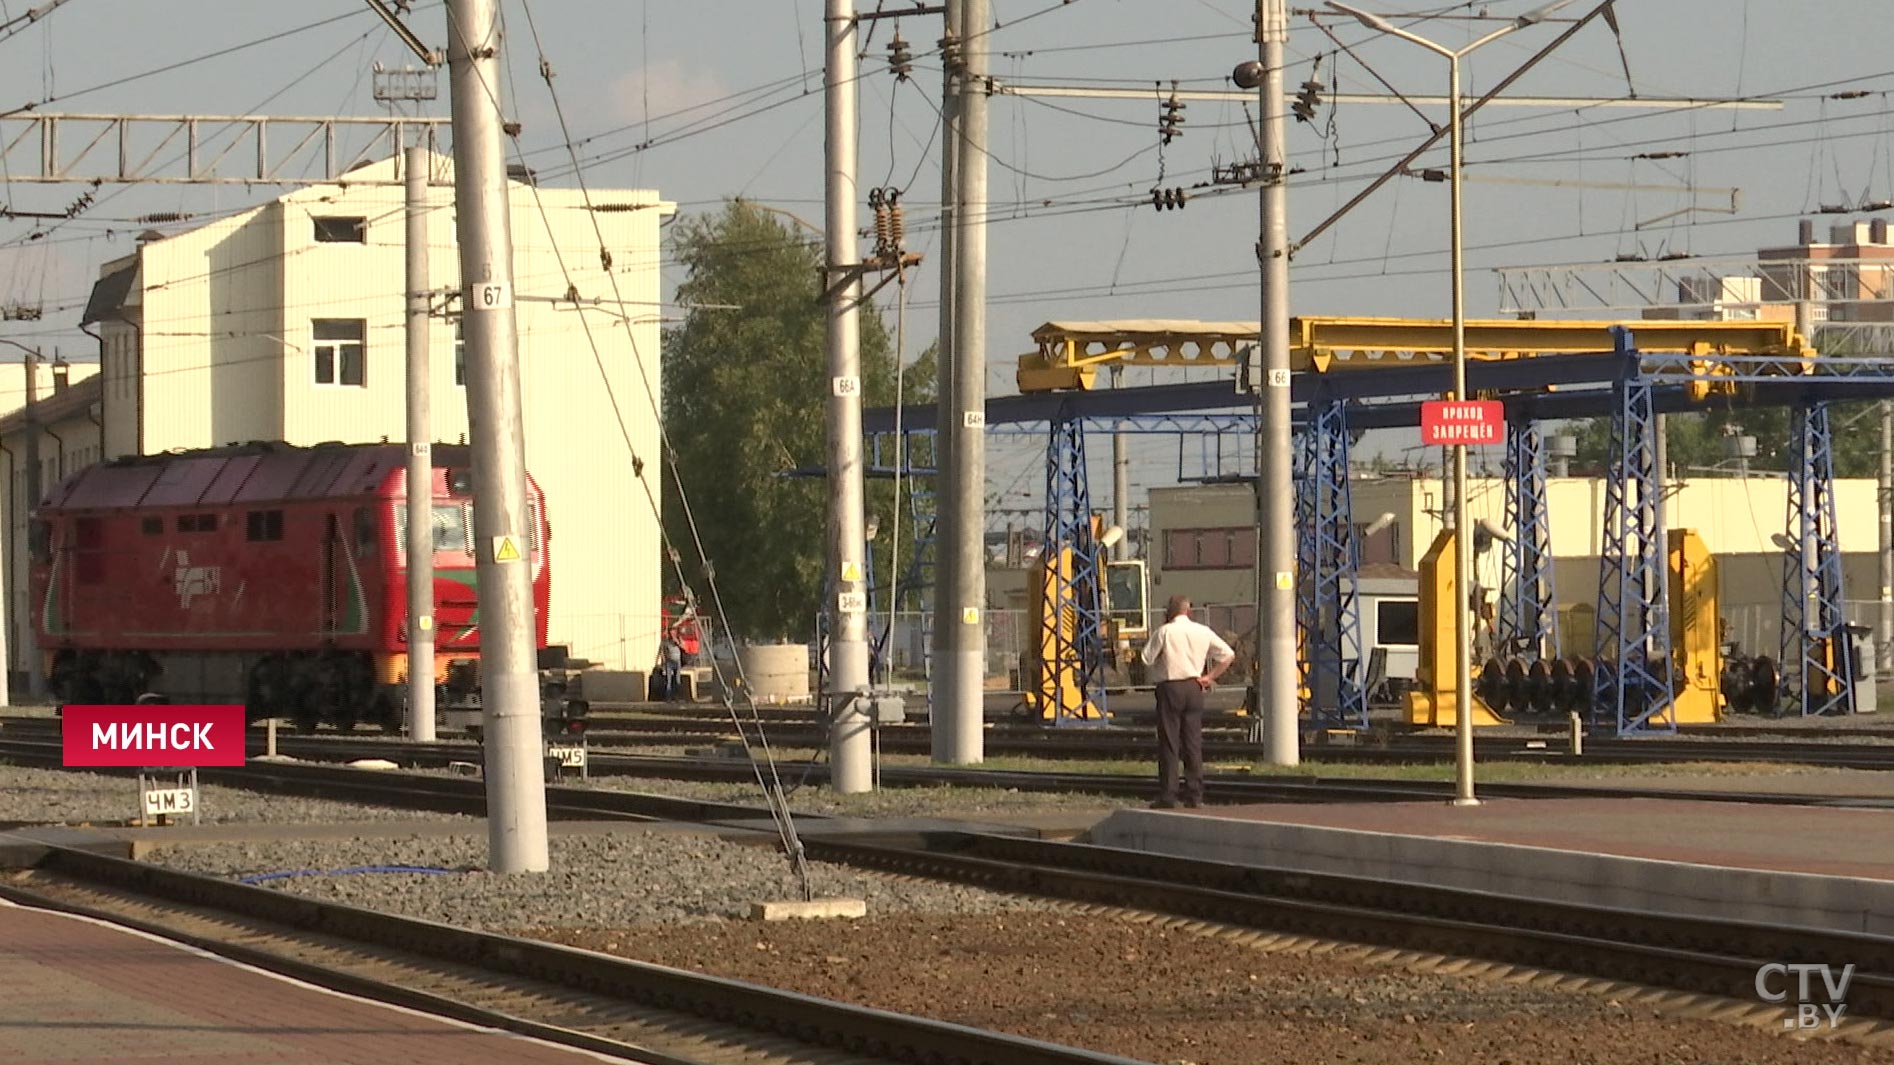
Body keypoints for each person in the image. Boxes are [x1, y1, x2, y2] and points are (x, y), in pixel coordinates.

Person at [1139, 595, 1235, 809]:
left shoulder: (1164, 631)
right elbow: (1228, 655)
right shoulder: (1203, 631)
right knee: (1193, 742)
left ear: (1169, 612)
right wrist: (1210, 677)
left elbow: (1147, 658)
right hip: (1195, 687)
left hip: (1170, 687)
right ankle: (1194, 795)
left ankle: (1169, 795)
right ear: (1188, 611)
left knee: (1170, 742)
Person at [659, 637, 683, 701]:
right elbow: (662, 651)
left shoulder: (678, 640)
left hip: (677, 662)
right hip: (669, 662)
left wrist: (678, 643)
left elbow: (683, 647)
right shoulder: (666, 642)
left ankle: (677, 697)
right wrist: (664, 662)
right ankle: (668, 698)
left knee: (677, 680)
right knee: (668, 681)